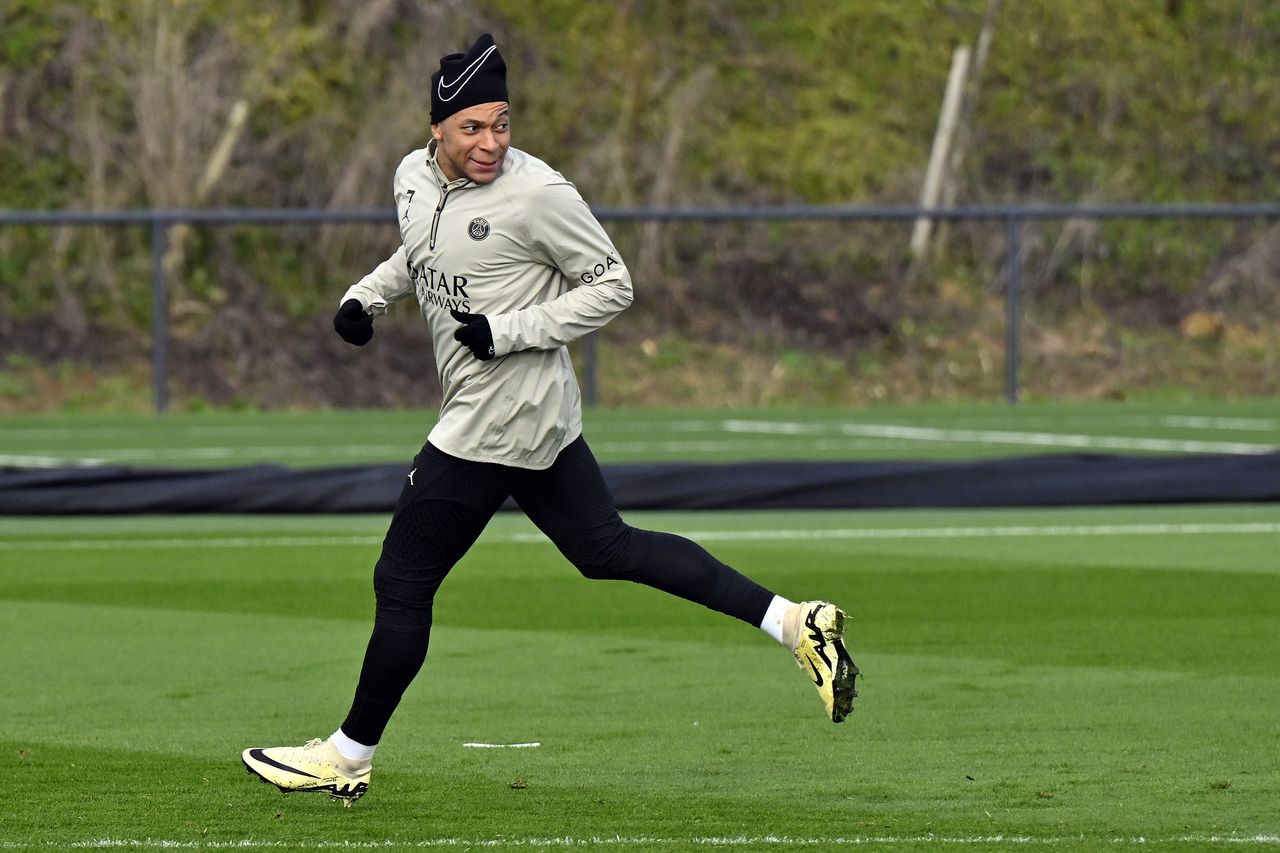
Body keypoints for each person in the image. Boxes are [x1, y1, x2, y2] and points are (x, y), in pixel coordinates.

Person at [241, 34, 858, 806]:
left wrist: (510, 331)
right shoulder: (410, 176)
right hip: (536, 423)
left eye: (502, 123)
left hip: (496, 421)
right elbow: (418, 250)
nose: (492, 142)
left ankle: (347, 753)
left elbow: (614, 285)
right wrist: (366, 296)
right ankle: (794, 622)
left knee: (402, 577)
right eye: (473, 127)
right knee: (606, 547)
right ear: (437, 128)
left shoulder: (538, 193)